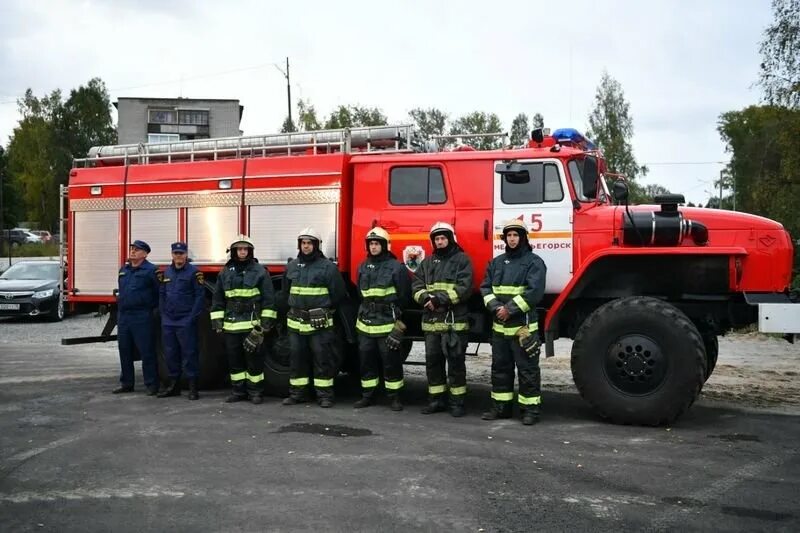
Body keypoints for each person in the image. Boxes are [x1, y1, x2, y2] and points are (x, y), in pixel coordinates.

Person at [480, 219, 547, 425]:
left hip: (522, 329)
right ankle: (501, 408)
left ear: (523, 238)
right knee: (500, 370)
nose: (512, 239)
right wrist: (495, 308)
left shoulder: (534, 262)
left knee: (527, 370)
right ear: (505, 238)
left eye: (516, 235)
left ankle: (530, 411)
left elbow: (534, 293)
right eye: (509, 235)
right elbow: (486, 288)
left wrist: (508, 309)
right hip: (500, 330)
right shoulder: (496, 263)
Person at [411, 222, 474, 417]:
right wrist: (424, 299)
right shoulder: (427, 262)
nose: (440, 242)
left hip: (453, 323)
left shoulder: (462, 260)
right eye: (437, 239)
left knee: (456, 364)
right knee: (433, 363)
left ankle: (457, 403)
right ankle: (436, 401)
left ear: (451, 239)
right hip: (431, 323)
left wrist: (439, 300)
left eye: (443, 238)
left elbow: (465, 288)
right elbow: (416, 285)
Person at [282, 227, 348, 408]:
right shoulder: (292, 266)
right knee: (296, 359)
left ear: (316, 245)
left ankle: (324, 396)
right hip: (296, 322)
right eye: (303, 243)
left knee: (322, 358)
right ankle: (297, 394)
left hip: (319, 323)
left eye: (309, 243)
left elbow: (338, 294)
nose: (306, 246)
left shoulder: (327, 267)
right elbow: (286, 292)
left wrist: (323, 308)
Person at [210, 235, 276, 405]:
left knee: (254, 361)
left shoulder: (260, 271)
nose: (242, 252)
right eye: (239, 249)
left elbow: (269, 300)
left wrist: (264, 326)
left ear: (250, 251)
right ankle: (238, 391)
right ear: (234, 251)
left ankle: (256, 392)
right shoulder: (225, 272)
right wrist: (217, 322)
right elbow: (218, 299)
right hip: (231, 325)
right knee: (234, 359)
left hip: (252, 325)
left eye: (245, 249)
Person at [353, 227, 411, 411]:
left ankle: (395, 397)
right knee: (366, 360)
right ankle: (368, 395)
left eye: (377, 243)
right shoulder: (362, 266)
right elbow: (359, 293)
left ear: (385, 245)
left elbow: (404, 295)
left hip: (386, 322)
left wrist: (394, 314)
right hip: (366, 322)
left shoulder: (396, 267)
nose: (374, 247)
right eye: (371, 244)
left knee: (391, 361)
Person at [157, 242, 205, 400]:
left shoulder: (194, 273)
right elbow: (162, 294)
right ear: (172, 255)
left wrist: (191, 317)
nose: (178, 256)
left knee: (189, 353)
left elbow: (199, 296)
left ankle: (193, 388)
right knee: (171, 353)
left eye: (181, 253)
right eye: (176, 253)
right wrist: (163, 315)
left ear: (186, 255)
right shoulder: (167, 272)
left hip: (185, 319)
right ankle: (174, 386)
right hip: (169, 320)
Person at [113, 239, 160, 395]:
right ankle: (127, 383)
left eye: (137, 249)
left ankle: (151, 384)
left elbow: (159, 293)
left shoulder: (152, 271)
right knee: (124, 350)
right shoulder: (123, 270)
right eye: (132, 248)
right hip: (124, 316)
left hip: (142, 316)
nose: (132, 251)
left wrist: (153, 312)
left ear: (145, 254)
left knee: (146, 351)